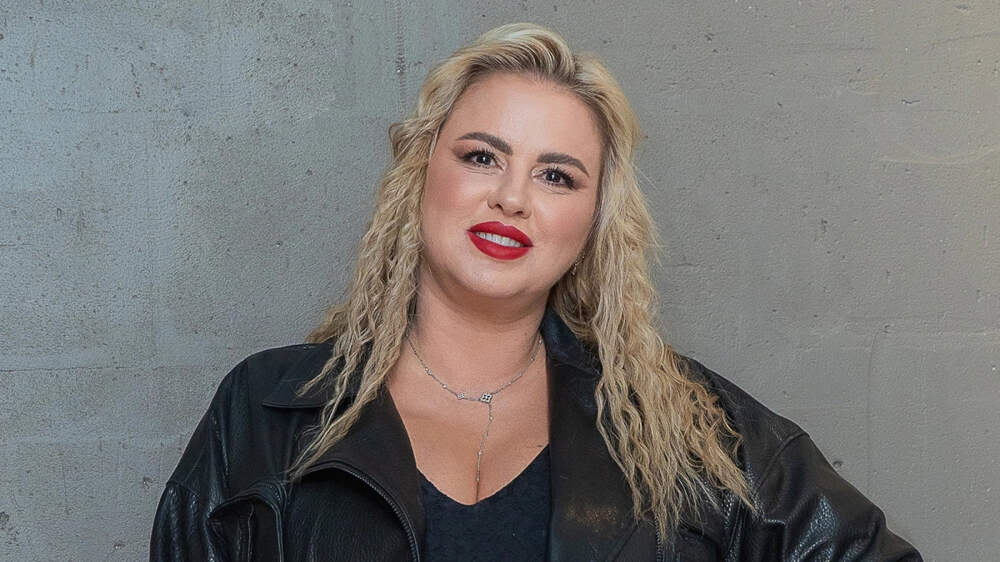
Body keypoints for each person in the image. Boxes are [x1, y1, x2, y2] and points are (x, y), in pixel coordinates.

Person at [150, 23, 921, 561]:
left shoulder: (688, 432)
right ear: (422, 175)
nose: (512, 197)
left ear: (592, 221)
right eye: (482, 157)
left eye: (556, 175)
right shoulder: (266, 412)